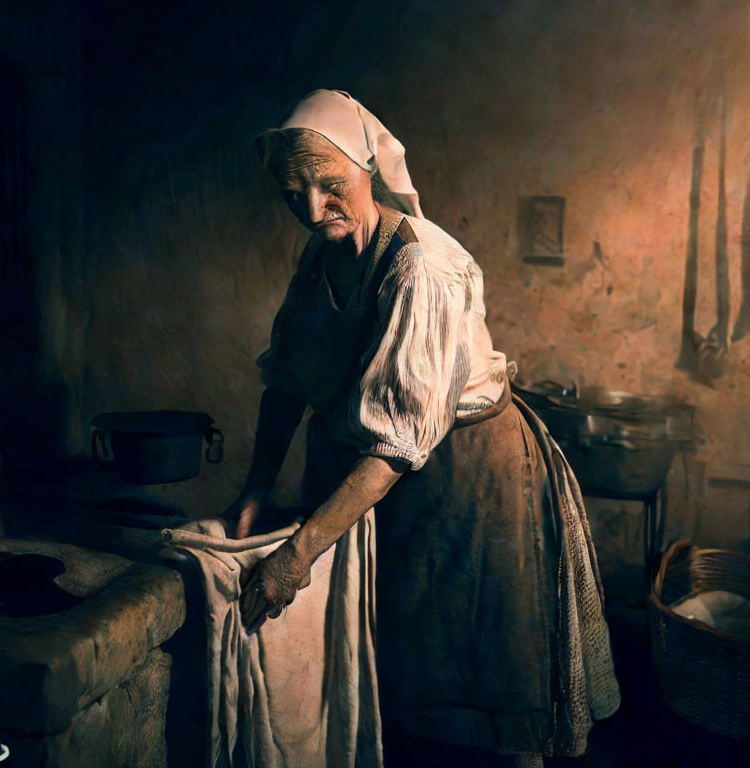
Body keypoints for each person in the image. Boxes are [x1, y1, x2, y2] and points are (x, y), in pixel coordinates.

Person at [228, 89, 620, 767]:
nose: (315, 209)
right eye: (295, 193)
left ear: (368, 171)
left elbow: (397, 441)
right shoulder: (319, 260)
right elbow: (288, 378)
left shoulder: (419, 268)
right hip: (391, 477)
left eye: (332, 186)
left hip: (474, 475)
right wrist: (256, 489)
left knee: (486, 664)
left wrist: (297, 554)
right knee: (407, 664)